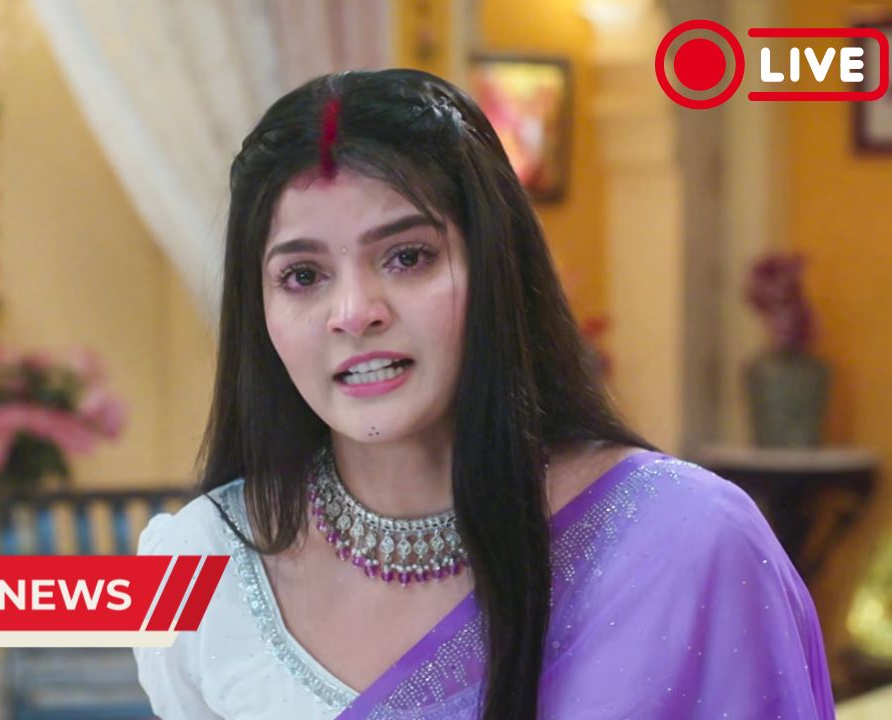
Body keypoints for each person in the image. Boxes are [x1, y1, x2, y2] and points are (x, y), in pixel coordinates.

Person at [132, 69, 834, 720]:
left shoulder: (684, 543)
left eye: (408, 257)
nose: (354, 313)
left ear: (497, 269)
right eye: (303, 276)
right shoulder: (200, 564)